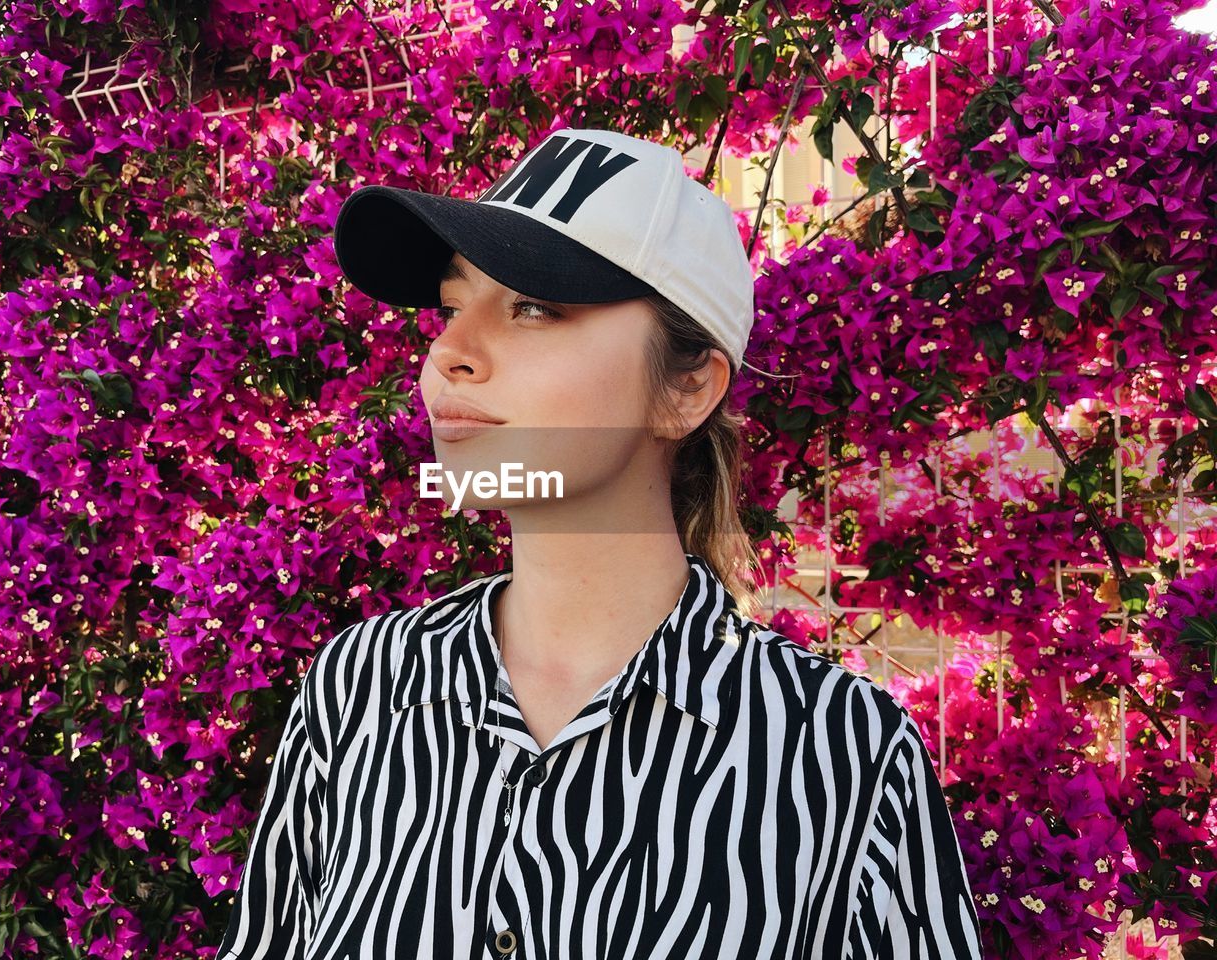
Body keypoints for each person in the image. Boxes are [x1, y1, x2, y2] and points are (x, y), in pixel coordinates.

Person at [217, 127, 983, 960]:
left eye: (534, 307)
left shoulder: (843, 754)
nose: (448, 354)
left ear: (686, 388)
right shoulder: (364, 686)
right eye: (449, 307)